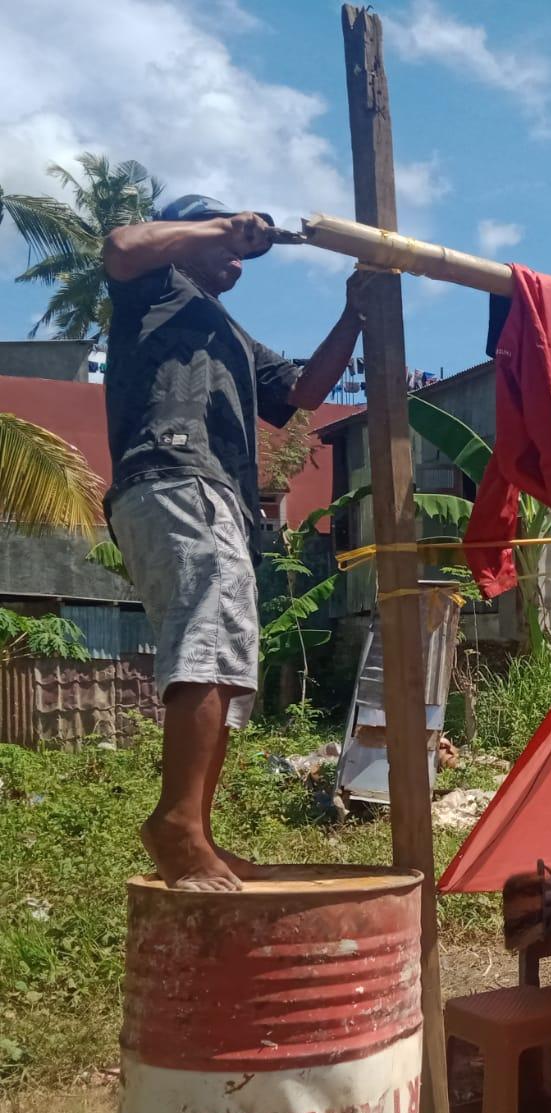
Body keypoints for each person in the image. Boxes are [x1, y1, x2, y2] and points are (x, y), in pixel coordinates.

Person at [102, 195, 374, 891]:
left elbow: (306, 393)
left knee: (223, 658)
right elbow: (125, 244)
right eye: (223, 244)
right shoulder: (153, 287)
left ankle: (199, 835)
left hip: (213, 493)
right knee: (206, 640)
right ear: (188, 235)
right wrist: (227, 226)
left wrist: (354, 312)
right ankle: (177, 826)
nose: (238, 259)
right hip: (174, 473)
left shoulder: (233, 336)